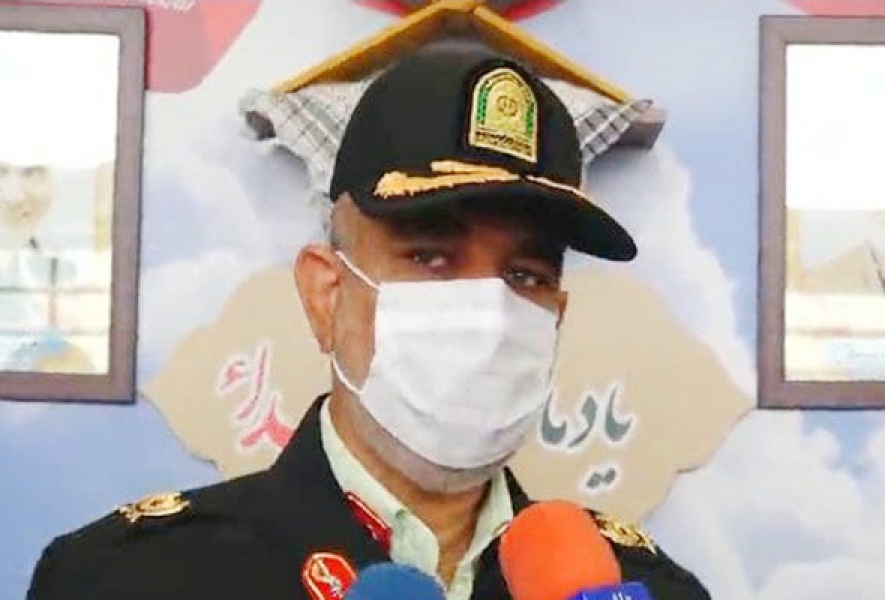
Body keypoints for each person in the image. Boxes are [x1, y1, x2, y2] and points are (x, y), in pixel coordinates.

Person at [27, 45, 711, 600]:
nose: (487, 315)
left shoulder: (647, 589)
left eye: (525, 275)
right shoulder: (130, 579)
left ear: (555, 319)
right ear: (325, 294)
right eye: (431, 258)